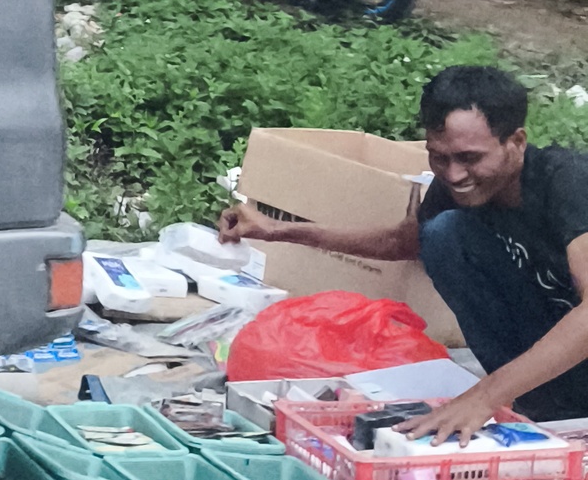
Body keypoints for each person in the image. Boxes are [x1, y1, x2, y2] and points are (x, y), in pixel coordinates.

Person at [218, 66, 588, 438]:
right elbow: (404, 243)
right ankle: (541, 401)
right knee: (443, 234)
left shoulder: (568, 182)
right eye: (439, 158)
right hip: (553, 368)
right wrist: (276, 229)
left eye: (470, 158)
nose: (455, 174)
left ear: (517, 142)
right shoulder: (460, 188)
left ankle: (525, 398)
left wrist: (484, 396)